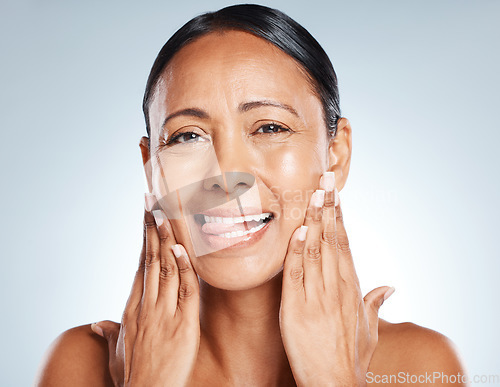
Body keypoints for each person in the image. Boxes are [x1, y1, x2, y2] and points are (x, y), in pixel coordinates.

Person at [35, 4, 467, 386]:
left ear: (336, 154)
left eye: (270, 128)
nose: (226, 176)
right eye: (187, 136)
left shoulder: (420, 366)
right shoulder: (81, 366)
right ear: (151, 167)